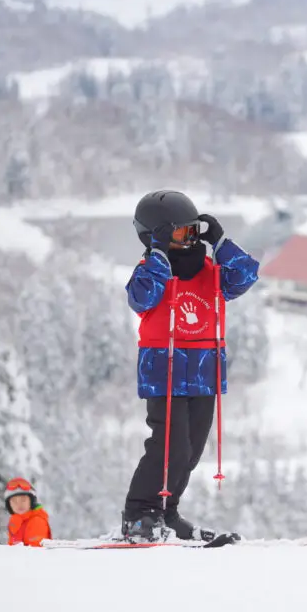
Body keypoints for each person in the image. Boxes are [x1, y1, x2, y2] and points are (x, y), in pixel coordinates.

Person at [122, 190, 259, 542]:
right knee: (170, 446)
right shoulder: (150, 272)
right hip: (164, 367)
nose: (192, 240)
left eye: (195, 231)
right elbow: (141, 298)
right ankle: (140, 513)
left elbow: (246, 276)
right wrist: (157, 254)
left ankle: (167, 512)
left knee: (192, 450)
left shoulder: (212, 272)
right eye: (182, 233)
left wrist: (222, 242)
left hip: (203, 369)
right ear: (158, 235)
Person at [5, 477, 52, 547]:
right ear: (9, 505)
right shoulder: (14, 521)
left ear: (31, 501)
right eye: (14, 501)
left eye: (23, 500)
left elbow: (36, 552)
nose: (19, 504)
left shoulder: (37, 521)